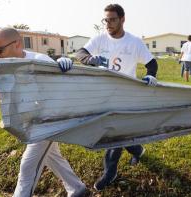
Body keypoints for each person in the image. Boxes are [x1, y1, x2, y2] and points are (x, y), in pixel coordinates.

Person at [59, 4, 158, 191]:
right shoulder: (100, 39)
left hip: (125, 94)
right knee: (115, 132)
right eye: (106, 20)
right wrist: (90, 60)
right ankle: (138, 149)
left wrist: (151, 75)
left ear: (122, 19)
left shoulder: (134, 42)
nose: (108, 24)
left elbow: (152, 63)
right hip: (103, 94)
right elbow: (81, 53)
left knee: (113, 133)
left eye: (112, 19)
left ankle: (109, 172)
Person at [0, 27, 88, 197]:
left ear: (17, 44)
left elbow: (63, 91)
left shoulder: (40, 60)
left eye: (0, 50)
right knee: (52, 157)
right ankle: (78, 189)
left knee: (28, 166)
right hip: (30, 122)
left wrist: (64, 67)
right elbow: (5, 99)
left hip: (49, 120)